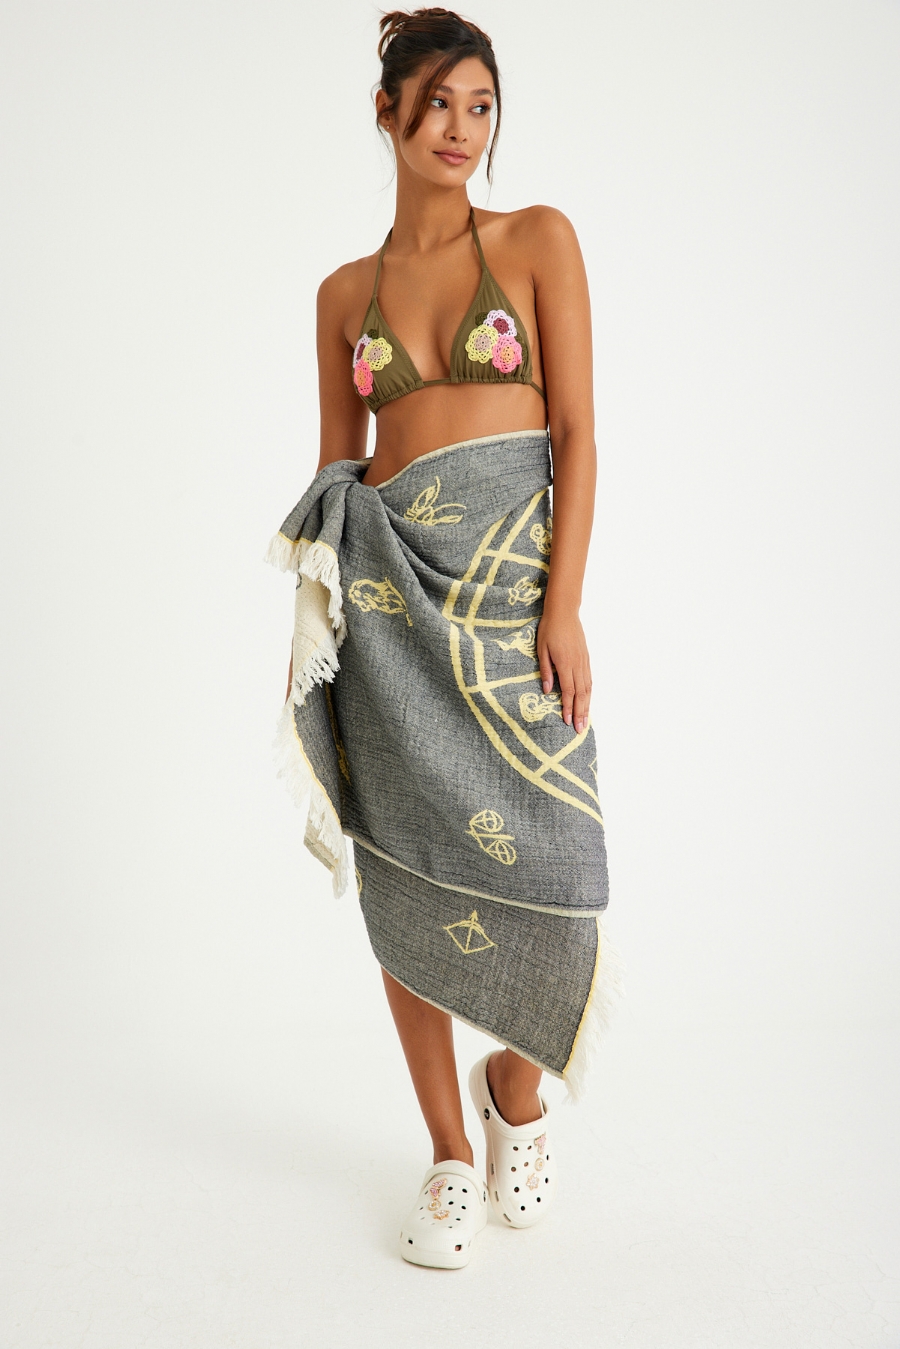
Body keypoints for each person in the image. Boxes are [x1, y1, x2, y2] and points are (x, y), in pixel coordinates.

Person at [267, 7, 620, 1269]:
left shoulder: (536, 240)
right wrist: (317, 615)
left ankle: (515, 1091)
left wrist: (562, 604)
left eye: (480, 105)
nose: (461, 129)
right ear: (388, 114)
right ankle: (449, 1151)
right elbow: (338, 469)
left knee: (559, 867)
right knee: (405, 868)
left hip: (509, 603)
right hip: (388, 615)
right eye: (437, 106)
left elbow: (575, 434)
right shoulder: (341, 295)